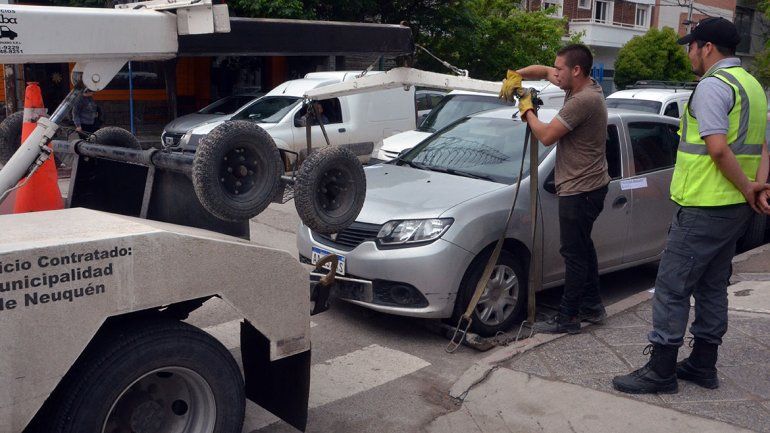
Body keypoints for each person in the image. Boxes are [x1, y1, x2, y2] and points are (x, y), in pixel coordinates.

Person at [612, 17, 770, 395]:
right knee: (713, 284)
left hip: (704, 204)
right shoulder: (753, 86)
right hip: (734, 208)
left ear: (708, 48)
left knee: (671, 285)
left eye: (692, 46)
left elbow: (716, 148)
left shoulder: (713, 87)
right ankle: (703, 363)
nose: (689, 53)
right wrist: (757, 188)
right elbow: (763, 148)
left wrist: (750, 185)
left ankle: (661, 369)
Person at [500, 44, 610, 334]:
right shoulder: (580, 82)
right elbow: (543, 70)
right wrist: (515, 75)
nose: (555, 73)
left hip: (581, 189)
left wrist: (527, 110)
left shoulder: (584, 100)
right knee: (583, 249)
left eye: (560, 69)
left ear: (576, 70)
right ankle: (592, 306)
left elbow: (547, 136)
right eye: (556, 68)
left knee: (573, 253)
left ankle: (569, 318)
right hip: (589, 185)